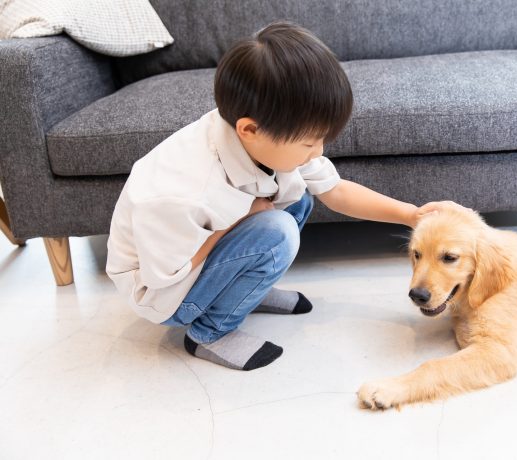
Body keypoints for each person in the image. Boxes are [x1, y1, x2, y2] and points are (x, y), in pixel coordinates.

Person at [106, 22, 443, 371]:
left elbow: (337, 191)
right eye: (309, 142)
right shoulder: (182, 191)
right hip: (166, 294)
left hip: (193, 255)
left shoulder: (266, 137)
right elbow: (165, 275)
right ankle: (209, 332)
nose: (318, 152)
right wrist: (244, 217)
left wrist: (412, 215)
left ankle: (244, 291)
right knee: (276, 232)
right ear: (249, 130)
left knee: (299, 198)